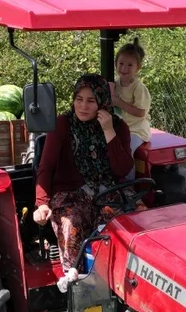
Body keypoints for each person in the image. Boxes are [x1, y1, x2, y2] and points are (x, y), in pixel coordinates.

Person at [34, 74, 134, 292]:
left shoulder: (119, 127)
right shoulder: (62, 124)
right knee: (72, 222)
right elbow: (46, 167)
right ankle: (75, 283)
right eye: (79, 99)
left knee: (130, 222)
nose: (83, 106)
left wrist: (108, 131)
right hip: (70, 193)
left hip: (108, 190)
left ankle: (124, 278)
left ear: (102, 102)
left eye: (90, 100)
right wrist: (41, 203)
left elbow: (122, 169)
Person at [110, 38, 151, 180]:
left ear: (137, 68)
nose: (124, 68)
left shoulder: (138, 88)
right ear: (115, 63)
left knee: (127, 151)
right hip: (120, 128)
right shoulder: (115, 84)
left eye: (130, 65)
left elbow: (141, 112)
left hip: (136, 130)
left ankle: (129, 185)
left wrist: (118, 102)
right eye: (121, 64)